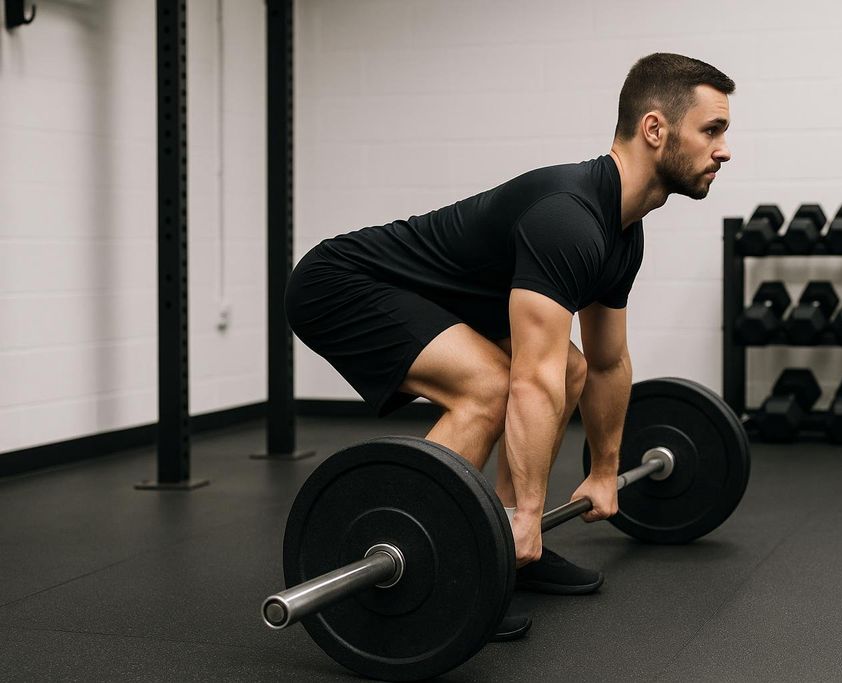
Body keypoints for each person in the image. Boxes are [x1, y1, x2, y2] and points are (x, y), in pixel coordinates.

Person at [284, 53, 734, 640]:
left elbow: (605, 362)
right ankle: (428, 559)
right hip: (340, 282)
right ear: (655, 129)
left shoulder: (621, 233)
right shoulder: (568, 218)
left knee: (568, 368)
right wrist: (529, 512)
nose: (724, 150)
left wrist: (604, 471)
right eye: (712, 130)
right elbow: (528, 381)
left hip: (436, 298)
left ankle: (503, 549)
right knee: (490, 387)